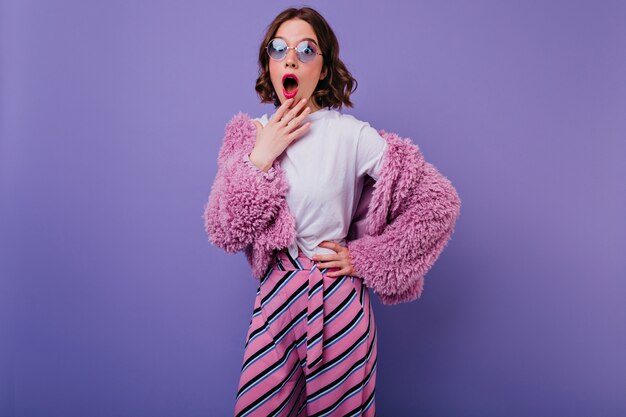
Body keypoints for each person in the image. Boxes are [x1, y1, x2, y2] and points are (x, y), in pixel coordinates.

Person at [203, 6, 461, 416]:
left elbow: (437, 203)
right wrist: (261, 158)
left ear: (323, 70)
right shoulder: (249, 136)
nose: (291, 58)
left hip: (338, 300)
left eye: (306, 50)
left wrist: (366, 259)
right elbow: (223, 228)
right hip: (275, 297)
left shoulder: (350, 135)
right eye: (279, 48)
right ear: (269, 63)